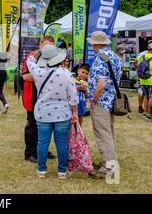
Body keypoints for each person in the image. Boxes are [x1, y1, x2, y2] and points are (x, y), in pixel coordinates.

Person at [26, 44, 79, 179]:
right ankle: (62, 171)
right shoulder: (66, 73)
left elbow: (29, 60)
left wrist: (39, 50)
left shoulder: (38, 72)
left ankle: (42, 170)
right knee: (61, 143)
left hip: (43, 112)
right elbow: (73, 96)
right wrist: (75, 113)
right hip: (63, 113)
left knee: (43, 142)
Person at [86, 31, 122, 180]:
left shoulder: (100, 59)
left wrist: (94, 100)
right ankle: (109, 162)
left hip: (101, 101)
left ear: (95, 44)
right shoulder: (114, 56)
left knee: (103, 135)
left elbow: (101, 84)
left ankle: (109, 170)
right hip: (111, 100)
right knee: (109, 133)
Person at [22, 36, 57, 162]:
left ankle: (42, 149)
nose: (48, 49)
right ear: (41, 45)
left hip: (47, 97)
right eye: (46, 45)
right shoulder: (32, 57)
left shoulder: (53, 58)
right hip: (32, 96)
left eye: (51, 46)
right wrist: (42, 75)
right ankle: (30, 153)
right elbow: (25, 76)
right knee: (32, 125)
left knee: (46, 126)